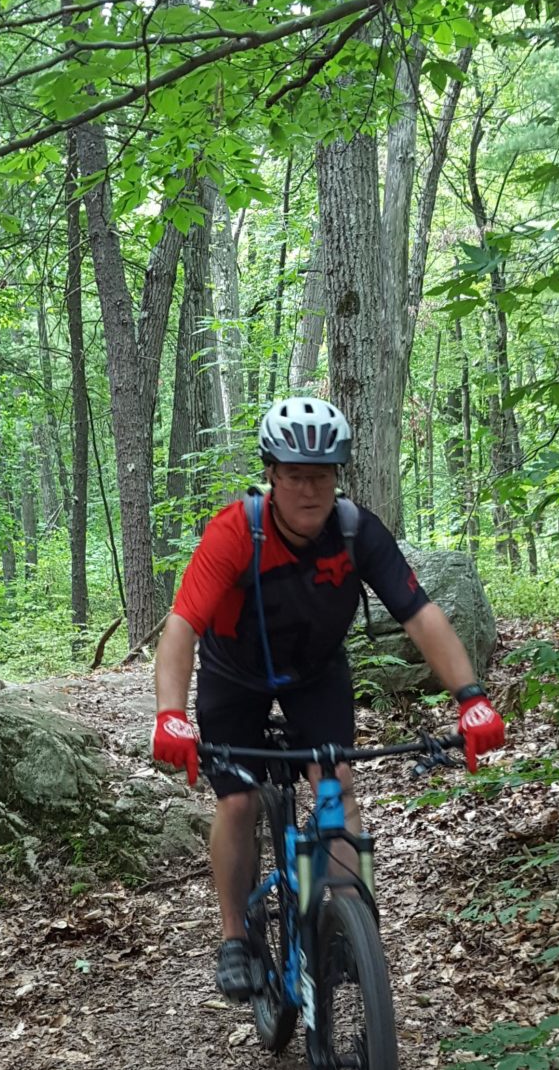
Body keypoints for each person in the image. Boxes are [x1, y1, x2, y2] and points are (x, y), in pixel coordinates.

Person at [152, 394, 506, 998]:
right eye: (294, 475)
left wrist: (470, 696)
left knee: (336, 786)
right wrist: (171, 716)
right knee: (237, 802)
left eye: (321, 475)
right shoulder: (235, 532)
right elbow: (182, 625)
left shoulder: (356, 531)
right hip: (234, 677)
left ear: (338, 476)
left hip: (316, 675)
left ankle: (347, 924)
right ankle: (235, 935)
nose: (309, 489)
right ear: (271, 475)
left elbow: (420, 614)